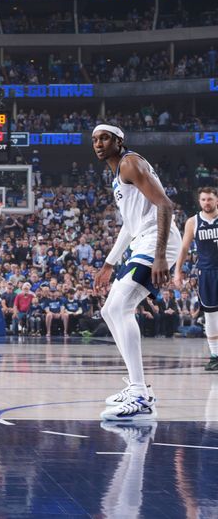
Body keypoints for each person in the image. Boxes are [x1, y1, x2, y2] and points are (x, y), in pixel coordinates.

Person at [92, 124, 182, 421]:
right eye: (94, 139)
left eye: (104, 138)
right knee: (109, 310)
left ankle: (140, 395)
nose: (99, 143)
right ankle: (137, 386)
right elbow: (130, 226)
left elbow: (165, 205)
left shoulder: (130, 163)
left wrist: (159, 256)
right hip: (143, 241)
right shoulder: (118, 175)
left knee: (120, 307)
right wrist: (108, 263)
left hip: (158, 241)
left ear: (119, 141)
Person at [174, 186, 218, 371]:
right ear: (199, 201)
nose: (206, 202)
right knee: (211, 316)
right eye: (203, 199)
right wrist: (177, 271)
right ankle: (215, 355)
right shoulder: (193, 222)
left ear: (217, 200)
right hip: (206, 272)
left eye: (210, 199)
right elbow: (184, 248)